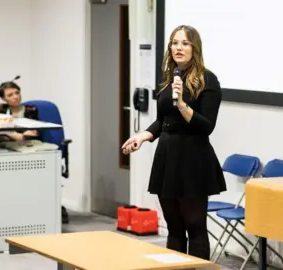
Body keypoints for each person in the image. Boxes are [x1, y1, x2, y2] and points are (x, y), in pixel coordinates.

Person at [121, 25, 226, 260]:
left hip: (193, 157)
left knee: (194, 225)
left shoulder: (208, 80)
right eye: (174, 43)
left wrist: (182, 104)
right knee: (174, 226)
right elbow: (163, 120)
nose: (178, 48)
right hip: (167, 156)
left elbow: (206, 126)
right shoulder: (170, 78)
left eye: (185, 43)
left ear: (195, 48)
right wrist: (142, 137)